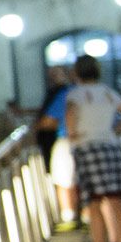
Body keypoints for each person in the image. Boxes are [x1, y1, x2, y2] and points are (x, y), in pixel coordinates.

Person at [66, 53, 121, 242]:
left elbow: (71, 118)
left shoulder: (76, 95)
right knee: (117, 202)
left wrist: (74, 136)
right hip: (110, 147)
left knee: (94, 203)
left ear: (77, 72)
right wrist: (115, 130)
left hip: (87, 149)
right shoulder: (107, 92)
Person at [37, 66, 79, 229]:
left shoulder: (66, 94)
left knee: (64, 180)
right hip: (93, 141)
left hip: (67, 140)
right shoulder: (103, 93)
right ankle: (86, 216)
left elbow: (48, 121)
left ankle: (69, 216)